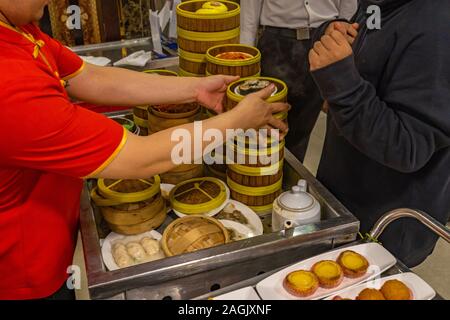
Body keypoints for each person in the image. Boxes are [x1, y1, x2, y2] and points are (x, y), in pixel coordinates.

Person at [0, 0, 289, 300]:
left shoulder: (17, 30)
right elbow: (140, 157)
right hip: (24, 272)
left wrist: (194, 88)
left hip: (50, 235)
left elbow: (89, 77)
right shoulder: (8, 84)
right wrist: (237, 121)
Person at [309, 0, 450, 267]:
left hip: (386, 227)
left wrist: (341, 80)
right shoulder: (381, 6)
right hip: (344, 202)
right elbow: (368, 60)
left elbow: (408, 147)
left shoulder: (438, 26)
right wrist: (331, 34)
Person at [240, 0, 357, 162]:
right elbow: (249, 16)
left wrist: (346, 63)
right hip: (276, 45)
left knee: (301, 133)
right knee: (265, 127)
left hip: (323, 42)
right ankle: (262, 180)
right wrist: (246, 66)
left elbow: (349, 11)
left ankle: (292, 182)